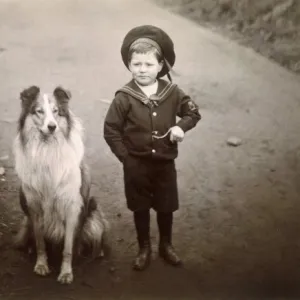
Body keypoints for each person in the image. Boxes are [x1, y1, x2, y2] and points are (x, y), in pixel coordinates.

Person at [104, 25, 201, 271]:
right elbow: (111, 130)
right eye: (136, 64)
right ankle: (144, 246)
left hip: (164, 164)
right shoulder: (124, 97)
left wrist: (182, 127)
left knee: (165, 205)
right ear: (129, 65)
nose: (142, 70)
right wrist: (126, 158)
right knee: (140, 207)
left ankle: (166, 245)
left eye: (148, 65)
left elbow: (193, 112)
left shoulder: (172, 92)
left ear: (161, 66)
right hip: (136, 164)